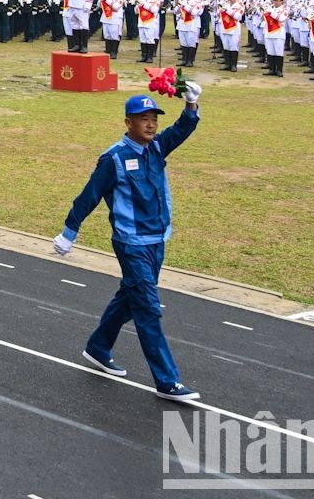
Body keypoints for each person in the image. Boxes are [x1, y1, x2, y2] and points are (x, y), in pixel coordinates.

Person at [52, 87, 204, 402]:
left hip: (157, 241)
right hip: (131, 244)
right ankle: (167, 380)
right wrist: (70, 230)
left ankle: (98, 347)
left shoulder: (157, 148)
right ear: (127, 122)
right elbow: (90, 195)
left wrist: (191, 104)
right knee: (148, 308)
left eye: (153, 119)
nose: (150, 125)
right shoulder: (115, 159)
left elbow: (183, 129)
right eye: (143, 119)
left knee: (130, 297)